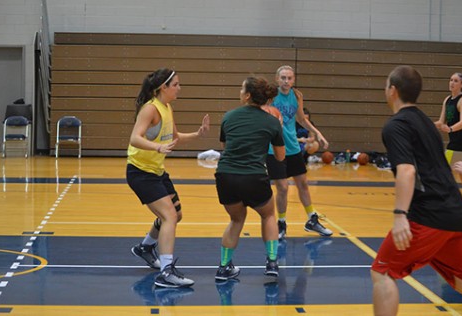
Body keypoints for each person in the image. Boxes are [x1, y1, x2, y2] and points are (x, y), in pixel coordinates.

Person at [371, 65, 462, 316]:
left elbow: (407, 171)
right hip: (456, 213)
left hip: (428, 215)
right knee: (461, 281)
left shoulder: (396, 126)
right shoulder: (425, 122)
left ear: (393, 90)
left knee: (382, 272)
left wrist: (400, 214)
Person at [126, 68, 209, 288]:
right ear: (164, 87)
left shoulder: (167, 108)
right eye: (176, 85)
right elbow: (135, 138)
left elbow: (175, 137)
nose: (179, 89)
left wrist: (198, 134)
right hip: (140, 172)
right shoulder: (150, 109)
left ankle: (145, 247)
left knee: (176, 215)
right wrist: (157, 147)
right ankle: (166, 272)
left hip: (156, 171)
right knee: (169, 217)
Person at [214, 76, 285, 281]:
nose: (239, 91)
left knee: (236, 219)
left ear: (247, 96)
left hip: (225, 176)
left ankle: (224, 267)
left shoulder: (229, 116)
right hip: (253, 177)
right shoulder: (272, 121)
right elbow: (280, 157)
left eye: (241, 88)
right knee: (268, 215)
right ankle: (272, 262)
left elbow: (226, 149)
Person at [266, 65, 332, 239]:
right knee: (282, 188)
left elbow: (301, 119)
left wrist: (318, 133)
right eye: (283, 78)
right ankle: (281, 223)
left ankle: (312, 220)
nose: (286, 81)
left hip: (293, 148)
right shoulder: (271, 96)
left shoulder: (296, 96)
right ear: (276, 79)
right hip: (275, 149)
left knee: (303, 184)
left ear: (293, 80)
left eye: (289, 78)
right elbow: (262, 115)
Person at [434, 72, 462, 165]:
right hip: (454, 143)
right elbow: (441, 122)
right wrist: (426, 125)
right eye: (451, 80)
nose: (452, 83)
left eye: (456, 81)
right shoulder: (447, 100)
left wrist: (450, 129)